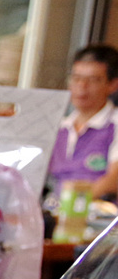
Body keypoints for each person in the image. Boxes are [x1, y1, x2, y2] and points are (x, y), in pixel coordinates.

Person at [49, 44, 118, 201]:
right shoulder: (59, 127)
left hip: (99, 218)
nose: (82, 86)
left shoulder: (114, 125)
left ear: (113, 85)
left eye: (92, 80)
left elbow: (113, 181)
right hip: (56, 212)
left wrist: (70, 204)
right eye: (76, 78)